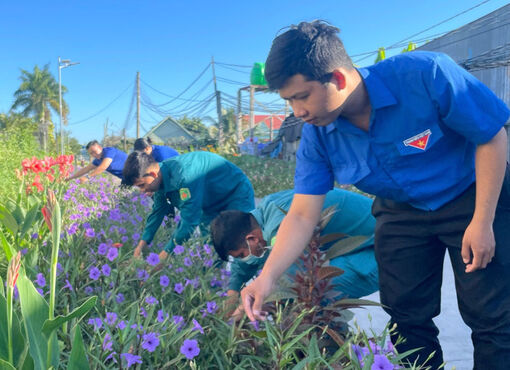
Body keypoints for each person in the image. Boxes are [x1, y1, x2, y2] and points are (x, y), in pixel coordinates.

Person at [240, 21, 510, 369]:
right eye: (289, 101)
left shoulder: (426, 75)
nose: (298, 112)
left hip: (472, 195)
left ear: (337, 78)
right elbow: (302, 214)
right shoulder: (318, 134)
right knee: (405, 319)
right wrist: (268, 277)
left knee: (492, 317)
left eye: (301, 96)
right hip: (400, 211)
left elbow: (491, 137)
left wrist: (483, 220)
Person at [211, 188, 378, 319]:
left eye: (241, 255)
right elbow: (241, 268)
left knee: (314, 295)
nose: (244, 259)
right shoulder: (262, 216)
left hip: (381, 247)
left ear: (252, 239)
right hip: (359, 241)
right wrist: (232, 297)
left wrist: (244, 310)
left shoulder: (278, 226)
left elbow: (287, 278)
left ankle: (329, 355)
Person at [122, 151, 255, 263]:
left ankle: (248, 288)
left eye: (141, 185)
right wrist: (142, 244)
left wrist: (165, 254)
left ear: (153, 174)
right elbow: (157, 212)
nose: (142, 190)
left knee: (240, 243)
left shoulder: (184, 176)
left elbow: (189, 222)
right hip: (209, 203)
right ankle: (213, 288)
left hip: (234, 192)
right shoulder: (160, 180)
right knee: (211, 248)